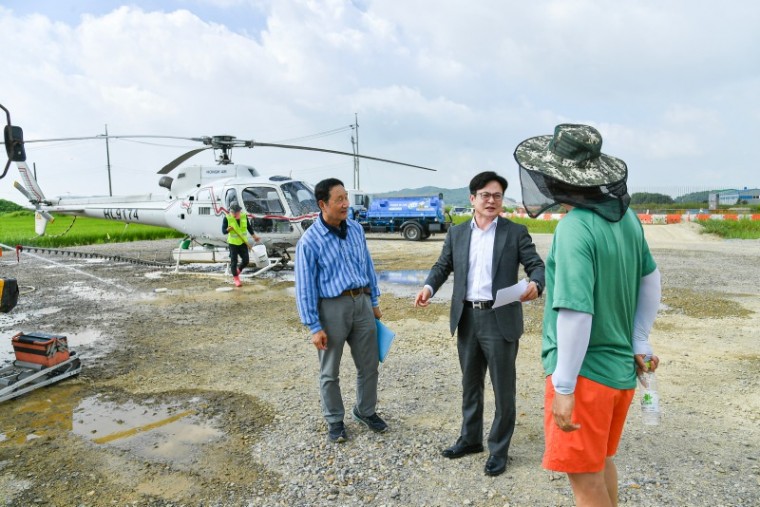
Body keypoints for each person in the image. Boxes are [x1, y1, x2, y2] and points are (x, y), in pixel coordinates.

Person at [514, 123, 661, 506]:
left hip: (585, 378)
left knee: (585, 481)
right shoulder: (625, 217)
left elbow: (576, 312)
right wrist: (639, 341)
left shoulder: (575, 228)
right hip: (619, 375)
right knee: (601, 463)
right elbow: (651, 278)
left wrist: (563, 388)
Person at [414, 171, 545, 477]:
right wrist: (428, 287)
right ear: (472, 199)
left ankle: (499, 450)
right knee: (470, 385)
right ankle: (471, 439)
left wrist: (537, 283)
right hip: (467, 318)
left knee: (503, 389)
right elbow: (442, 266)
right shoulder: (457, 233)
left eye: (497, 195)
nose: (491, 200)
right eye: (485, 195)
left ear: (502, 201)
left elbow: (536, 265)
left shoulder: (515, 232)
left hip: (501, 318)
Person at [295, 178, 387, 443]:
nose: (346, 203)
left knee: (369, 365)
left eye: (346, 197)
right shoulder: (310, 241)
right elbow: (305, 287)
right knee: (329, 370)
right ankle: (335, 420)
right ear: (323, 204)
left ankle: (365, 411)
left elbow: (367, 266)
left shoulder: (356, 229)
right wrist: (314, 326)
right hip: (331, 308)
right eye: (340, 199)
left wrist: (374, 302)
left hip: (361, 303)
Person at [222, 203, 259, 287]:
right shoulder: (227, 218)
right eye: (233, 212)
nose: (235, 214)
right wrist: (228, 229)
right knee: (234, 261)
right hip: (233, 243)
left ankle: (238, 270)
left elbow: (249, 228)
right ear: (231, 212)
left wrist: (254, 237)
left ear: (239, 211)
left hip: (243, 242)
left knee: (246, 260)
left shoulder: (243, 216)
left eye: (237, 212)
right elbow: (223, 231)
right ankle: (236, 278)